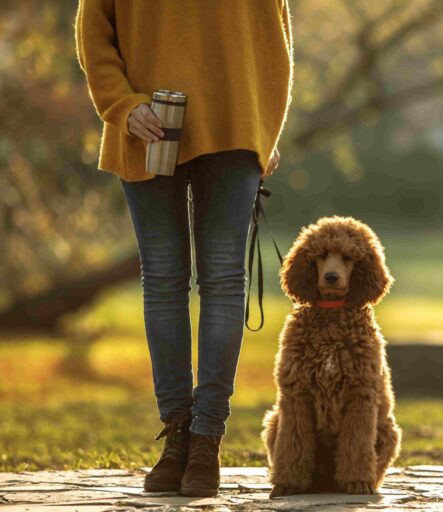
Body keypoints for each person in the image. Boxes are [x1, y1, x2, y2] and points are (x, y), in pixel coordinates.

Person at [74, 0, 294, 497]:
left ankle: (205, 440)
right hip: (146, 124)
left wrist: (265, 126)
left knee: (222, 281)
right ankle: (176, 434)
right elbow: (94, 33)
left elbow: (274, 40)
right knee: (165, 281)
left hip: (236, 123)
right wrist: (123, 106)